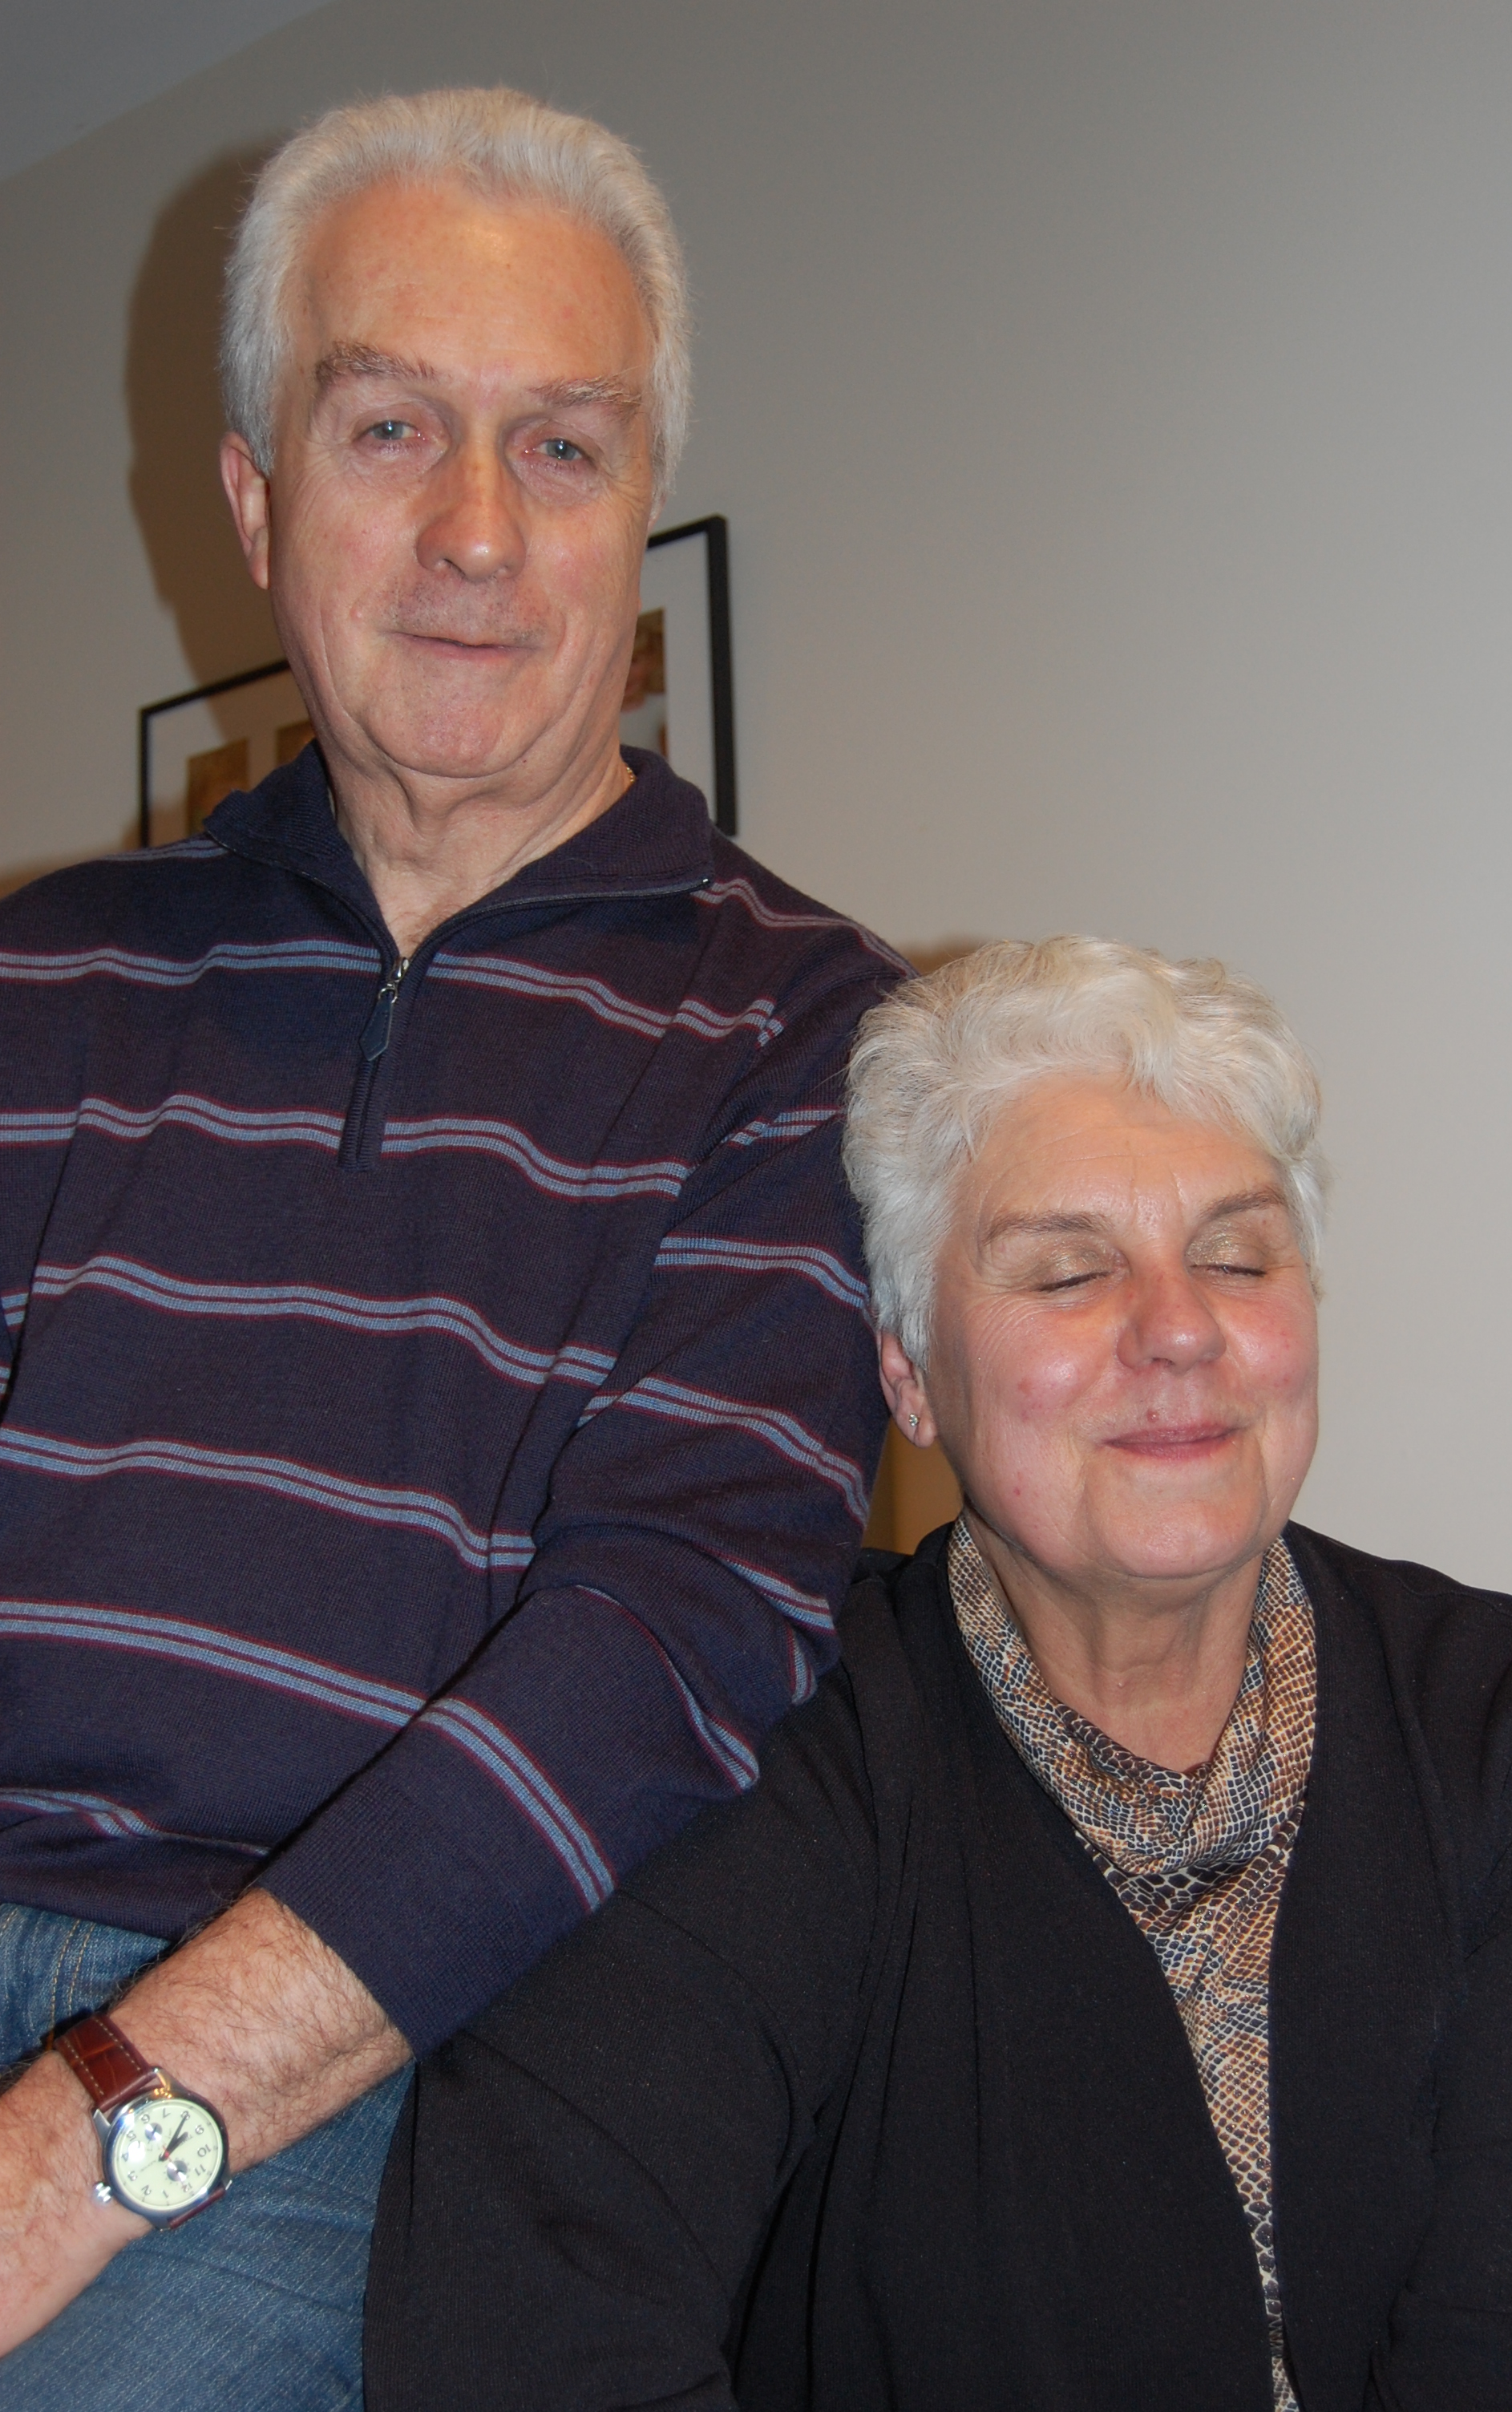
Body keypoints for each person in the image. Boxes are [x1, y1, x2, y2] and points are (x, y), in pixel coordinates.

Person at [0, 86, 893, 2404]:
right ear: (255, 501)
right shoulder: (41, 976)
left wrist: (82, 2140)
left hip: (345, 2054)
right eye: (390, 425)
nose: (477, 531)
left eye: (562, 447)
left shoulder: (806, 1035)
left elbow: (665, 1646)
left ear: (634, 506)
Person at [366, 936, 1512, 2412]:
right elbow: (534, 2329)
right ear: (906, 1372)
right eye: (1068, 1270)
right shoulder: (734, 1757)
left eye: (1237, 1254)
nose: (1180, 1328)